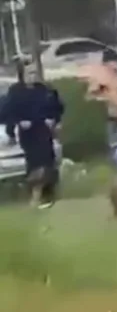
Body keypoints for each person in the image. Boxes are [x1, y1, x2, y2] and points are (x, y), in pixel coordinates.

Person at [1, 63, 64, 209]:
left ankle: (49, 195)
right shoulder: (15, 92)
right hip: (28, 133)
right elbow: (7, 112)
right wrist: (18, 123)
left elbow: (57, 107)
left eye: (34, 73)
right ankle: (35, 194)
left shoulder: (44, 90)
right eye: (29, 73)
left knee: (48, 161)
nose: (33, 76)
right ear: (22, 75)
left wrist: (53, 119)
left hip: (44, 130)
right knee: (35, 164)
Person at [81, 50, 117, 215]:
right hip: (113, 122)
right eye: (114, 61)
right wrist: (104, 95)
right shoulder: (102, 79)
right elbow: (89, 96)